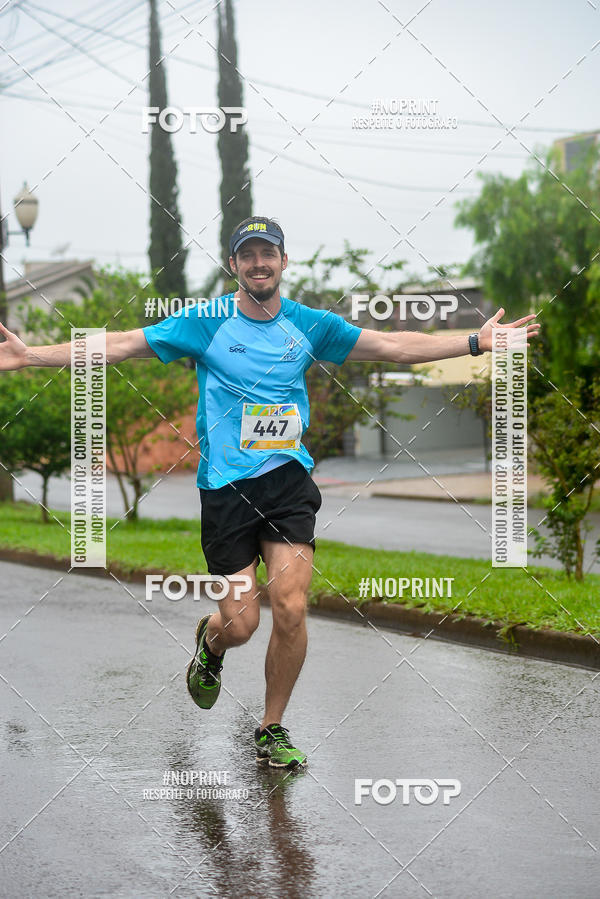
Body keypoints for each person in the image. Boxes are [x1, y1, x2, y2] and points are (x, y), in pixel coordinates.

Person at [0, 215, 540, 768]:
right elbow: (121, 344)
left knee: (290, 607)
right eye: (248, 254)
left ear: (284, 262)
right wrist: (29, 356)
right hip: (227, 489)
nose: (259, 262)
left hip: (288, 482)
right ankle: (210, 645)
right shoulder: (205, 323)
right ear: (234, 265)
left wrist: (475, 340)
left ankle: (271, 727)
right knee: (241, 623)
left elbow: (393, 345)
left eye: (269, 253)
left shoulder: (310, 325)